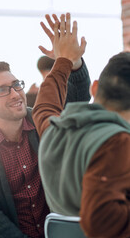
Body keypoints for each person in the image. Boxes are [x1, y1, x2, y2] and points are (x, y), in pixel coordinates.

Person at [0, 13, 90, 238]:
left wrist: (73, 61)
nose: (15, 94)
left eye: (16, 85)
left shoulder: (42, 120)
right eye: (2, 90)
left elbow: (78, 100)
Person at [33, 13, 130, 238]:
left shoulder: (54, 131)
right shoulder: (117, 143)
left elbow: (43, 108)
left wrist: (65, 61)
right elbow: (102, 220)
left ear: (94, 88)